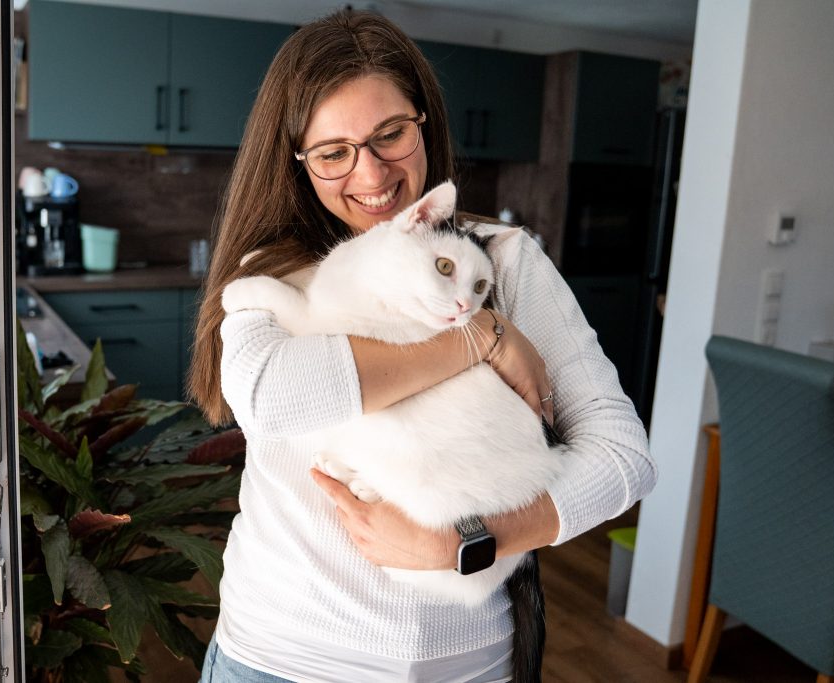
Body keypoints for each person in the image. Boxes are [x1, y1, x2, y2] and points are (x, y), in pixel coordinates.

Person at [187, 9, 656, 682]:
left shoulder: (500, 260)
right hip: (280, 656)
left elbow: (624, 455)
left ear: (425, 123)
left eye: (391, 135)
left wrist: (467, 543)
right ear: (299, 162)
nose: (371, 175)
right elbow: (274, 400)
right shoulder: (271, 269)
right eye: (333, 152)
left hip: (463, 664)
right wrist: (481, 339)